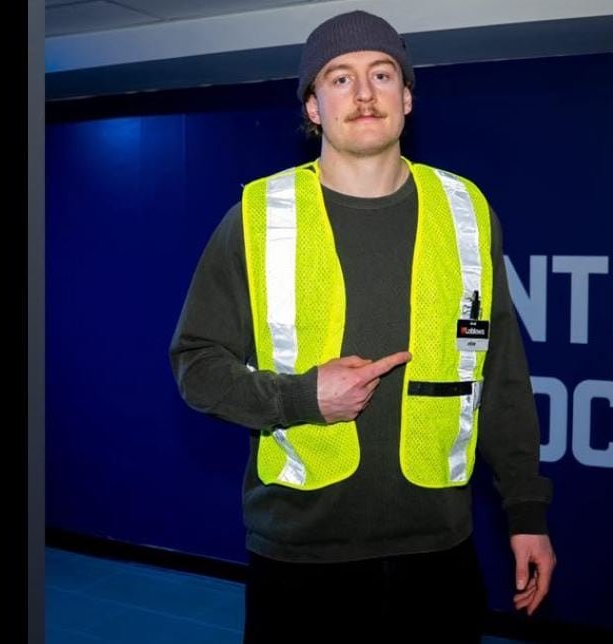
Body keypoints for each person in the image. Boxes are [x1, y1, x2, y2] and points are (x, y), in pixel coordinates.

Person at [170, 9, 555, 644]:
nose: (365, 92)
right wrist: (301, 398)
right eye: (340, 78)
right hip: (300, 560)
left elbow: (502, 375)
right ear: (314, 106)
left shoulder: (467, 210)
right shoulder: (256, 217)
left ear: (406, 96)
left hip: (440, 554)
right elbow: (195, 365)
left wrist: (527, 512)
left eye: (381, 74)